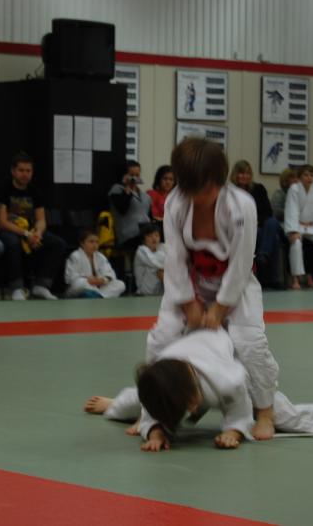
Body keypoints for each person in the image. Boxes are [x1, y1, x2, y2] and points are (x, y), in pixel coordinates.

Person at [87, 139, 280, 440]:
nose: (197, 197)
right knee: (161, 338)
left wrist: (220, 307)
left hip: (236, 284)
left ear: (219, 181)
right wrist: (189, 302)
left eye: (205, 190)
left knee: (250, 342)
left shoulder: (241, 206)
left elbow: (242, 263)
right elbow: (175, 257)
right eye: (191, 189)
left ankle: (265, 412)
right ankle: (150, 412)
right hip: (190, 280)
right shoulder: (176, 202)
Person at [88, 329, 313, 452]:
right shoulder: (162, 375)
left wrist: (234, 431)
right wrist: (156, 432)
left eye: (191, 405)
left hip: (228, 357)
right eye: (188, 408)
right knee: (143, 398)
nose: (193, 411)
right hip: (185, 367)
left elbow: (240, 407)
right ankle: (115, 404)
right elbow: (154, 406)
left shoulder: (228, 379)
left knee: (276, 412)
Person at [0, 152, 67, 301]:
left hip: (30, 231)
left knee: (58, 244)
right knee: (13, 242)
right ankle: (17, 288)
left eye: (28, 171)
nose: (25, 174)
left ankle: (42, 286)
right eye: (21, 170)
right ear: (13, 171)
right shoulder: (2, 190)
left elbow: (41, 219)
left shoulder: (35, 191)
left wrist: (37, 233)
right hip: (7, 230)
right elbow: (2, 222)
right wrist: (26, 234)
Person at [230, 160, 282, 288]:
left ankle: (263, 255)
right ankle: (272, 279)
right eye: (241, 173)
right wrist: (250, 222)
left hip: (260, 224)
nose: (245, 176)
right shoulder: (230, 192)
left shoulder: (259, 189)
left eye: (247, 173)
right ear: (235, 175)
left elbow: (268, 211)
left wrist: (256, 221)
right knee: (274, 239)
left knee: (272, 222)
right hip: (242, 227)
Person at [64, 229, 125, 299]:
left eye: (97, 242)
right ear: (82, 243)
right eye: (91, 242)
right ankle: (100, 295)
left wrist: (103, 280)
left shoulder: (100, 256)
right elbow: (70, 278)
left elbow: (110, 274)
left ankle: (97, 296)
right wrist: (88, 279)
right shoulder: (75, 256)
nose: (95, 245)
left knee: (120, 284)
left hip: (98, 285)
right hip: (83, 286)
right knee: (80, 283)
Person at [108, 160, 151, 250]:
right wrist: (128, 189)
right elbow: (122, 208)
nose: (134, 178)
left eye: (137, 175)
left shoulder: (145, 196)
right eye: (131, 175)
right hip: (129, 235)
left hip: (145, 232)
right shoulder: (117, 190)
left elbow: (148, 214)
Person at [133, 222, 165, 296]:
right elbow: (156, 263)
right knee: (158, 270)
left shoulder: (162, 247)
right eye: (150, 236)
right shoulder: (141, 250)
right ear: (144, 240)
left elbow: (174, 261)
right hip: (145, 289)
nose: (154, 238)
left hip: (160, 289)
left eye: (156, 235)